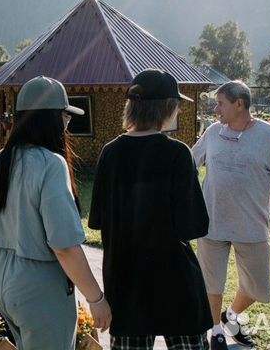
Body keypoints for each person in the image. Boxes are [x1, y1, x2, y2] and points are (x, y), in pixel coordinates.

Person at [0, 76, 110, 350]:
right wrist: (96, 299)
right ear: (53, 119)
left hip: (3, 278)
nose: (67, 123)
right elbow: (64, 246)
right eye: (65, 116)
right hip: (40, 286)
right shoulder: (51, 164)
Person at [89, 69, 212, 350]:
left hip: (125, 280)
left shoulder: (110, 152)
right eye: (177, 105)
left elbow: (97, 220)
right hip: (174, 280)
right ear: (166, 107)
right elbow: (193, 225)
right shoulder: (178, 154)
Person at [192, 81, 270, 350]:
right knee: (211, 282)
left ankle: (230, 316)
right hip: (212, 222)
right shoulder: (213, 132)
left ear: (239, 104)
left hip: (251, 225)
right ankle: (216, 331)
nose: (215, 108)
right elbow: (189, 164)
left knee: (257, 287)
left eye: (220, 103)